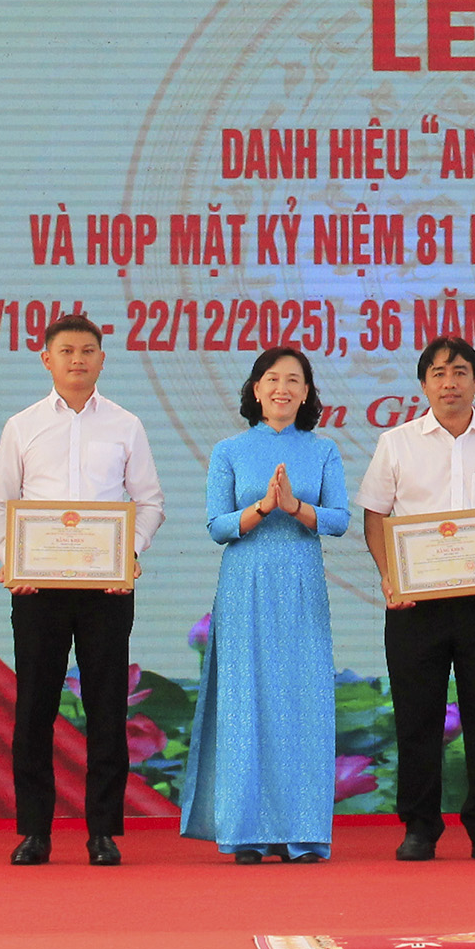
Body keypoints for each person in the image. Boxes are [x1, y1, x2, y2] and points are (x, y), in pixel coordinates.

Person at [0, 313, 164, 866]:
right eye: (67, 351)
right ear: (47, 359)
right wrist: (12, 560)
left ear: (102, 359)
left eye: (88, 350)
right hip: (37, 589)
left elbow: (149, 501)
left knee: (106, 708)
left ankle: (103, 831)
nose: (78, 359)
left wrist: (128, 553)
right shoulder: (22, 426)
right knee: (35, 708)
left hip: (106, 591)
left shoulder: (126, 425)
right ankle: (35, 831)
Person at [359, 336, 475, 862]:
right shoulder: (396, 443)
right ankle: (419, 827)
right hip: (415, 605)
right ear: (423, 385)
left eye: (460, 372)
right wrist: (389, 577)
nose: (449, 383)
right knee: (417, 716)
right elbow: (375, 515)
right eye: (438, 373)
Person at [179, 347, 349, 864]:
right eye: (272, 379)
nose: (282, 388)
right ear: (255, 390)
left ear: (307, 392)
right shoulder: (229, 450)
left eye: (294, 380)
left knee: (303, 703)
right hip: (245, 585)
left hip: (301, 585)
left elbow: (340, 520)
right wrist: (262, 507)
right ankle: (246, 834)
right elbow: (217, 526)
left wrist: (295, 507)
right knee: (244, 702)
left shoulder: (323, 450)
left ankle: (302, 834)